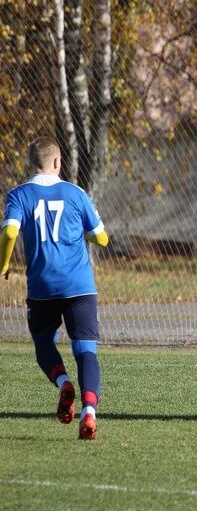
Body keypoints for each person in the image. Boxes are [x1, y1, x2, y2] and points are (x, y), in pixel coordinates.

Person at [1, 137, 109, 439]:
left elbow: (10, 231)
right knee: (85, 350)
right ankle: (89, 412)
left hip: (42, 287)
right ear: (58, 162)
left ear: (30, 163)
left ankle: (63, 383)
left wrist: (3, 264)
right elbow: (101, 238)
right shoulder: (76, 193)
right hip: (80, 287)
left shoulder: (18, 195)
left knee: (43, 342)